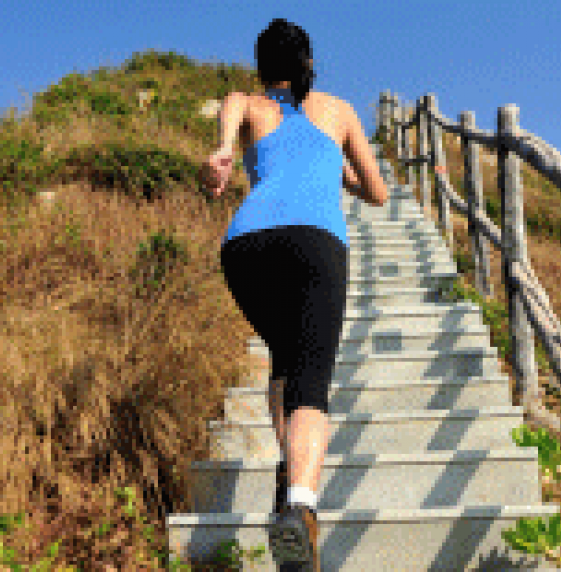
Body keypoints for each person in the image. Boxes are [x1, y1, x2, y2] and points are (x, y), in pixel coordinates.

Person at [200, 17, 387, 572]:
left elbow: (226, 136)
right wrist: (338, 169)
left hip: (246, 248)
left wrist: (222, 157)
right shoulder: (340, 112)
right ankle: (301, 507)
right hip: (313, 244)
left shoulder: (246, 103)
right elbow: (378, 193)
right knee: (311, 377)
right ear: (309, 62)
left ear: (262, 66)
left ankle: (288, 478)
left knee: (285, 357)